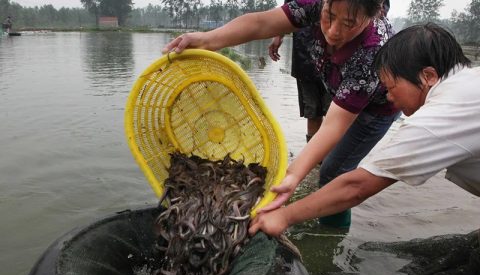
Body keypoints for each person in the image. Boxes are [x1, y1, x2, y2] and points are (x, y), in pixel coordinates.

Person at [164, 0, 399, 228]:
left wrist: (292, 176)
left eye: (349, 24)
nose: (334, 31)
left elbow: (334, 127)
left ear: (373, 15)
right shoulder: (316, 5)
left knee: (334, 171)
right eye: (330, 16)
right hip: (339, 84)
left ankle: (331, 234)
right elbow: (260, 23)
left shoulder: (372, 51)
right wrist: (207, 40)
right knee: (325, 159)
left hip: (378, 108)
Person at [248, 23, 479, 238]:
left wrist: (284, 216)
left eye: (390, 87)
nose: (388, 97)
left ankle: (331, 236)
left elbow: (357, 187)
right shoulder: (469, 82)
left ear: (428, 76)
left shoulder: (439, 116)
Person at [268, 0, 331, 144]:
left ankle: (336, 162)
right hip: (305, 54)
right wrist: (279, 35)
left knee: (336, 112)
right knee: (312, 111)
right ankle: (314, 162)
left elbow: (378, 8)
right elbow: (288, 11)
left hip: (337, 56)